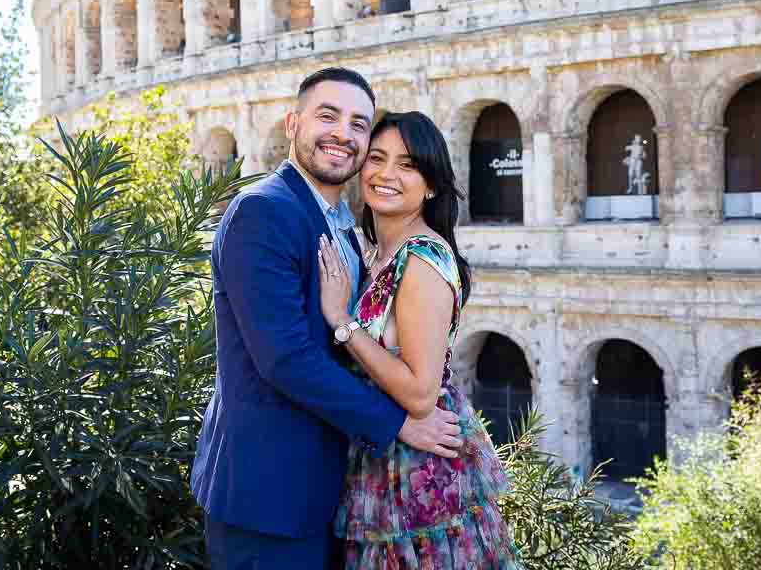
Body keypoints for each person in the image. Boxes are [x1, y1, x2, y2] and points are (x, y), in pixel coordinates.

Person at [192, 68, 465, 569]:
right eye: (328, 116)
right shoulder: (263, 212)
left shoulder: (345, 226)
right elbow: (286, 359)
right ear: (293, 124)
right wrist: (398, 422)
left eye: (359, 124)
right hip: (269, 496)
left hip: (330, 489)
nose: (344, 134)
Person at [317, 111, 521, 568]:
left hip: (417, 471)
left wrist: (339, 320)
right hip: (384, 455)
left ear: (431, 184)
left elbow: (420, 392)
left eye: (407, 165)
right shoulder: (376, 252)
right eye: (377, 157)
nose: (386, 174)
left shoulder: (422, 259)